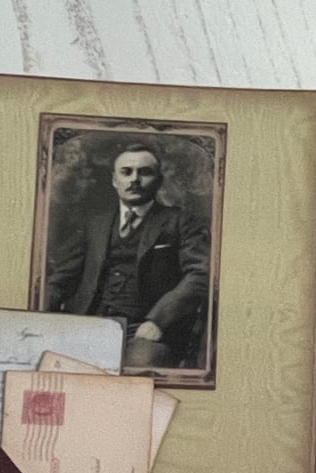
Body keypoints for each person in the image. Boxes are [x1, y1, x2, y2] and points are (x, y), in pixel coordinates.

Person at [45, 143, 211, 368]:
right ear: (115, 180)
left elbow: (200, 275)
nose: (135, 179)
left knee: (141, 365)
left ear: (159, 181)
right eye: (126, 172)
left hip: (144, 331)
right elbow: (63, 277)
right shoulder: (95, 222)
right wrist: (38, 314)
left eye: (144, 172)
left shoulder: (181, 221)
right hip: (88, 326)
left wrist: (158, 321)